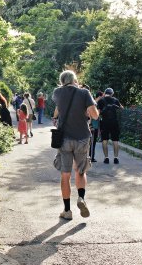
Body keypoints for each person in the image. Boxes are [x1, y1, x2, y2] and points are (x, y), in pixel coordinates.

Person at [52, 70, 99, 220]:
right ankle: (81, 198)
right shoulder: (84, 93)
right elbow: (95, 115)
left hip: (64, 139)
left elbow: (58, 110)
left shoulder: (57, 92)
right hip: (82, 138)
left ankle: (67, 211)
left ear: (62, 81)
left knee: (65, 175)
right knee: (80, 171)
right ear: (75, 80)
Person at [97, 87, 123, 164]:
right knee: (115, 140)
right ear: (112, 93)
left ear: (105, 93)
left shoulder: (101, 100)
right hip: (114, 122)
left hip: (104, 122)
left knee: (104, 140)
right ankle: (116, 158)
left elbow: (98, 113)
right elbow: (121, 108)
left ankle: (106, 158)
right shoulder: (115, 100)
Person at [89, 91, 103, 162]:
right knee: (92, 142)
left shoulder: (93, 102)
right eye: (102, 97)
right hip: (93, 126)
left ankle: (90, 157)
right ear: (100, 96)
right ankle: (91, 158)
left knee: (91, 142)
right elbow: (94, 115)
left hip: (93, 125)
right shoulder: (95, 103)